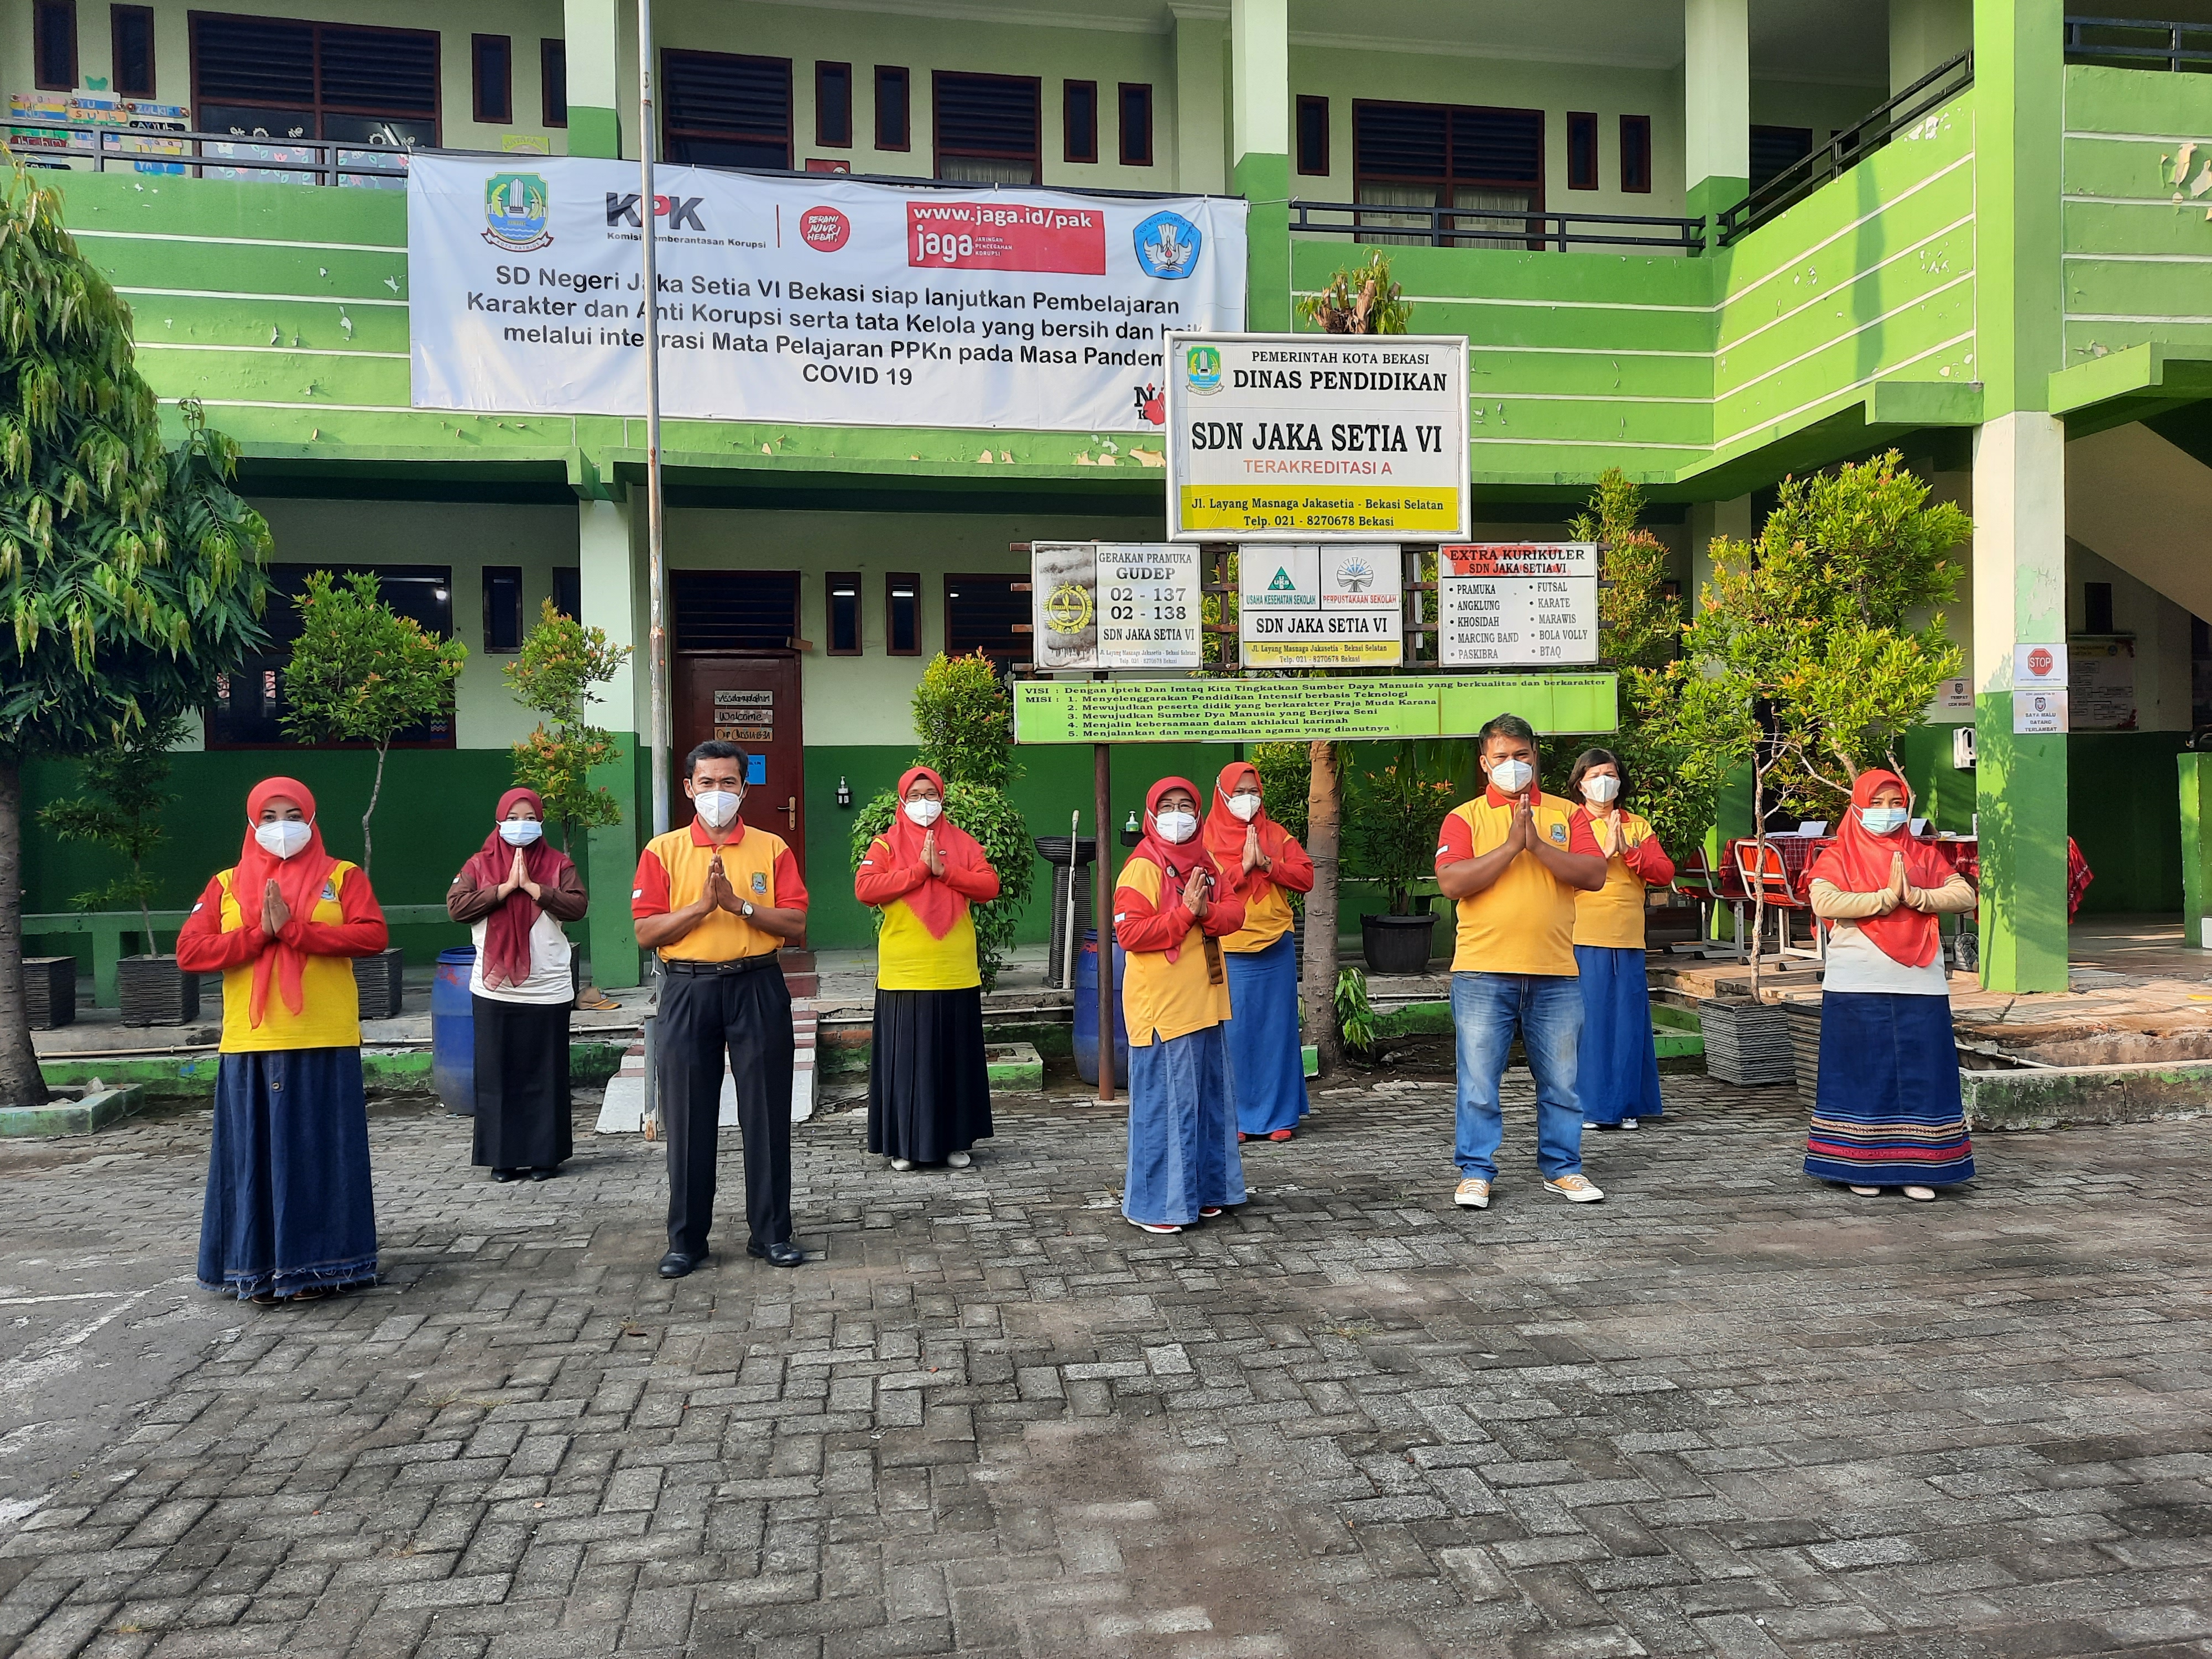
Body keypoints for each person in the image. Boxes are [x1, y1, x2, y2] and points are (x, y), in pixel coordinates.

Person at [178, 777, 388, 1305]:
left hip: (325, 1036)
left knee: (321, 1156)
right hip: (250, 1043)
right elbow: (191, 951)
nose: (281, 827)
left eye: (293, 815)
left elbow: (372, 935)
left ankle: (324, 1269)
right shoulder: (225, 884)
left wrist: (296, 931)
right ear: (252, 823)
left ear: (312, 819)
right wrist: (258, 935)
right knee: (254, 1164)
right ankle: (256, 1272)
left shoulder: (342, 876)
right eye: (269, 817)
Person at [632, 742, 810, 1275]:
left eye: (728, 783)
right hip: (688, 990)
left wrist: (740, 906)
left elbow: (795, 924)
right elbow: (646, 932)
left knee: (767, 1112)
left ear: (744, 789)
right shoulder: (662, 851)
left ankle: (772, 1234)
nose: (717, 793)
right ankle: (687, 1241)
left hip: (757, 985)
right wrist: (702, 908)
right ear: (689, 788)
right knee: (687, 1116)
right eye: (707, 783)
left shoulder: (772, 847)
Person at [1434, 714, 1609, 1211]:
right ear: (1484, 763)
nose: (1513, 764)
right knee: (1478, 1083)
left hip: (1555, 971)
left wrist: (1537, 844)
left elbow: (1594, 873)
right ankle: (1476, 1172)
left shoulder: (1567, 814)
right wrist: (1513, 846)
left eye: (1522, 755)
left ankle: (1563, 1168)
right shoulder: (1464, 817)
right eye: (1502, 757)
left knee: (1562, 1083)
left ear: (1536, 757)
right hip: (1482, 971)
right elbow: (1452, 882)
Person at [1804, 769, 1977, 1201]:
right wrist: (1883, 899)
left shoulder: (1923, 855)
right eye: (1877, 804)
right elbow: (1824, 900)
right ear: (1858, 807)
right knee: (1861, 1072)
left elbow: (1965, 895)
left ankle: (1920, 1168)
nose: (1887, 812)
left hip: (1920, 980)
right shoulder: (1839, 855)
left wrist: (1918, 896)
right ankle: (1861, 1167)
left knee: (1922, 1074)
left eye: (1895, 803)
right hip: (1857, 978)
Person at [1115, 777, 1248, 1234]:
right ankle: (1154, 1207)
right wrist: (1186, 914)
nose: (1178, 815)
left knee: (1207, 1107)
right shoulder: (1143, 866)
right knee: (1165, 1110)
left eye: (1186, 805)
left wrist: (1206, 912)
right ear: (1151, 815)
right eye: (1168, 806)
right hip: (1164, 1009)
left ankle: (1205, 1193)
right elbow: (1129, 933)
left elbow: (1235, 913)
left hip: (1206, 1001)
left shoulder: (1205, 860)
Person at [855, 766, 1000, 1171]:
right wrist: (919, 870)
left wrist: (945, 871)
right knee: (907, 1064)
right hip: (905, 971)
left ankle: (955, 1142)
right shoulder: (886, 844)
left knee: (955, 1061)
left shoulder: (963, 843)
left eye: (931, 794)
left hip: (955, 969)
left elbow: (989, 886)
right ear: (903, 801)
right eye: (915, 796)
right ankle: (904, 1146)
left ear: (942, 798)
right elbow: (866, 889)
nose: (924, 803)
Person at [446, 787, 589, 1182]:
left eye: (529, 818)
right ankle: (502, 1158)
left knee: (545, 1074)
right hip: (494, 989)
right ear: (499, 821)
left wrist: (535, 889)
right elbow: (457, 906)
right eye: (513, 818)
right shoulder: (479, 864)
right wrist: (504, 889)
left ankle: (545, 1157)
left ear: (541, 822)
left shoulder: (559, 864)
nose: (521, 826)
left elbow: (578, 905)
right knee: (497, 1074)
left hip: (547, 986)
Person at [1203, 761, 1314, 1142]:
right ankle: (1234, 1119)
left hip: (1275, 946)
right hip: (1228, 949)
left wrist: (1267, 863)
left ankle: (1278, 1117)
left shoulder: (1276, 834)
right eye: (1239, 792)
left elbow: (1306, 877)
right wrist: (1242, 868)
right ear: (1221, 794)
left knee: (1276, 1032)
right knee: (1233, 1035)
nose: (1246, 799)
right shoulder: (1205, 840)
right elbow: (1205, 890)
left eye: (1253, 792)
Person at [1567, 748, 1674, 1132]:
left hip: (1629, 938)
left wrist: (1629, 851)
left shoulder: (1637, 825)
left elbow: (1664, 872)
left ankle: (1628, 1105)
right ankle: (1591, 1108)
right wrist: (1602, 853)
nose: (1603, 782)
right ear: (1580, 784)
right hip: (1584, 935)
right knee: (1591, 1024)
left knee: (1629, 1024)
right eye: (1595, 776)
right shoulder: (1569, 823)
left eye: (1610, 775)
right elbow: (1559, 875)